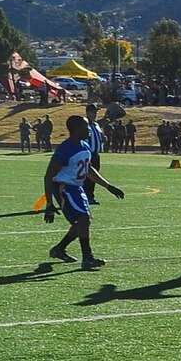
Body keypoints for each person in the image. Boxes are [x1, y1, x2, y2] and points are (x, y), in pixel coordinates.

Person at [45, 115, 126, 270]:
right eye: (85, 126)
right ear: (76, 129)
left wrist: (108, 186)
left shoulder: (84, 146)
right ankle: (87, 258)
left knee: (84, 222)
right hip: (65, 187)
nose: (89, 129)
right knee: (83, 219)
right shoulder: (65, 149)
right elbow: (49, 175)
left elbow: (88, 169)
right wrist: (49, 202)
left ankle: (59, 249)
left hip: (76, 187)